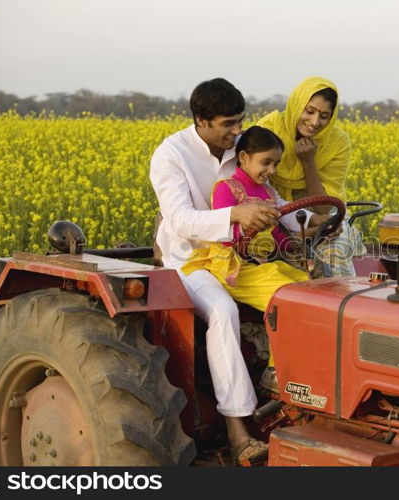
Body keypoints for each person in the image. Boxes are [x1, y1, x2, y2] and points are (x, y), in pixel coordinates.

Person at [149, 79, 314, 465]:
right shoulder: (171, 154)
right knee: (222, 312)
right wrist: (234, 215)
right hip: (191, 260)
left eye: (240, 122)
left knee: (314, 290)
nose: (236, 132)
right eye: (228, 124)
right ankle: (238, 430)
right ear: (201, 121)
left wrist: (311, 218)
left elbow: (269, 197)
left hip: (245, 259)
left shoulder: (239, 150)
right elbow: (180, 219)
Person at [181, 126, 327, 392]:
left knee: (308, 285)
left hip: (263, 265)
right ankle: (274, 370)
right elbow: (226, 234)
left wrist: (300, 240)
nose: (271, 170)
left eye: (276, 164)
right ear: (244, 158)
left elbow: (278, 236)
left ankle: (306, 360)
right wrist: (248, 228)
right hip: (236, 265)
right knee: (285, 298)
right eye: (266, 163)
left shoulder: (269, 194)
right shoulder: (227, 189)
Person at [256, 76, 366, 277]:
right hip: (276, 209)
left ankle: (340, 304)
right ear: (298, 104)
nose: (315, 122)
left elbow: (324, 206)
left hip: (324, 211)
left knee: (335, 250)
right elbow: (256, 185)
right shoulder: (269, 129)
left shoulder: (337, 142)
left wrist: (308, 162)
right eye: (309, 111)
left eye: (324, 116)